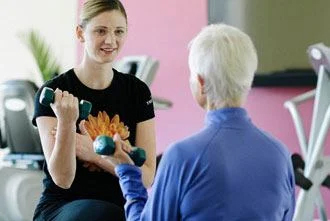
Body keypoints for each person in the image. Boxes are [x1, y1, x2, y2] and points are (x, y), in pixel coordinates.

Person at [107, 24, 296, 220]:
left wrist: (127, 172)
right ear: (248, 79)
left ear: (201, 83)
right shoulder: (280, 154)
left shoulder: (182, 156)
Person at [32, 0, 156, 220]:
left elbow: (146, 178)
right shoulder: (55, 92)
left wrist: (97, 154)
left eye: (119, 31)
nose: (110, 40)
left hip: (120, 207)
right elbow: (63, 179)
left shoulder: (137, 91)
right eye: (100, 31)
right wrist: (67, 122)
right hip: (63, 207)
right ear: (80, 33)